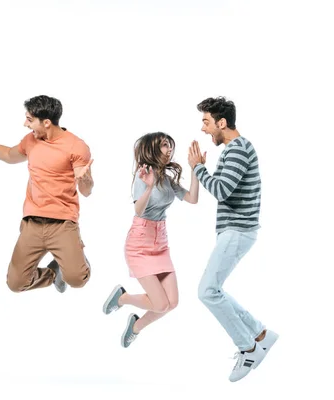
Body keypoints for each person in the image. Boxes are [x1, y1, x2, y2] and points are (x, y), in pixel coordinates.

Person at [189, 96, 278, 382]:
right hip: (235, 231)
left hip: (238, 231)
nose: (203, 129)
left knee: (207, 292)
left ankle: (248, 347)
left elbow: (221, 190)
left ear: (222, 122)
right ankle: (261, 334)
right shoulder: (234, 149)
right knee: (214, 290)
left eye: (206, 122)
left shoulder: (238, 149)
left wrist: (198, 168)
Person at [0, 95, 93, 295]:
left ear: (47, 122)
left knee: (77, 280)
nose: (26, 124)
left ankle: (75, 253)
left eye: (30, 119)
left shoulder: (76, 146)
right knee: (15, 284)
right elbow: (8, 155)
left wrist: (86, 180)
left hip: (62, 223)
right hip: (32, 222)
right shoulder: (31, 141)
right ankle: (53, 273)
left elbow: (86, 191)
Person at [102, 132, 199, 348]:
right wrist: (148, 187)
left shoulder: (166, 179)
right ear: (153, 149)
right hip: (140, 243)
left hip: (161, 243)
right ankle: (123, 298)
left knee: (171, 303)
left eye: (170, 146)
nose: (170, 150)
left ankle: (135, 327)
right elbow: (138, 209)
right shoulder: (143, 174)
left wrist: (195, 169)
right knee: (160, 303)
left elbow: (192, 199)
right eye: (165, 145)